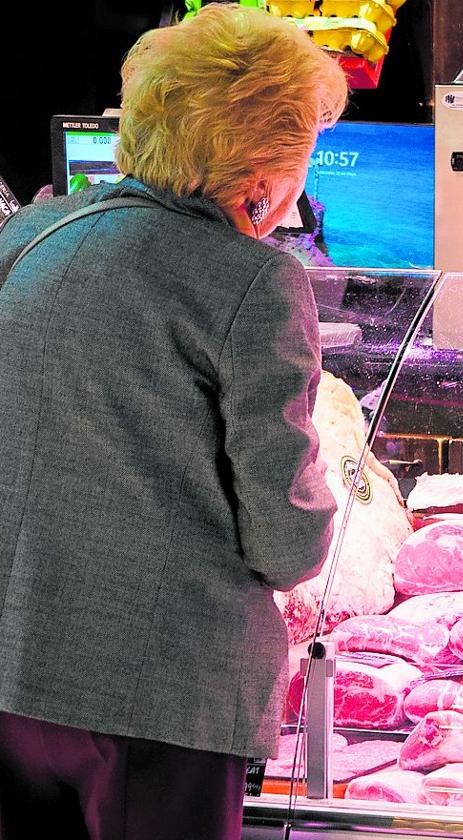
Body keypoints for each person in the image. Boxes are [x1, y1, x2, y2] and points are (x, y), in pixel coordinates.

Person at [0, 6, 346, 839]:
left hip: (17, 677)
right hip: (156, 700)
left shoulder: (37, 231)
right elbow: (287, 541)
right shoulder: (251, 280)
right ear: (260, 172)